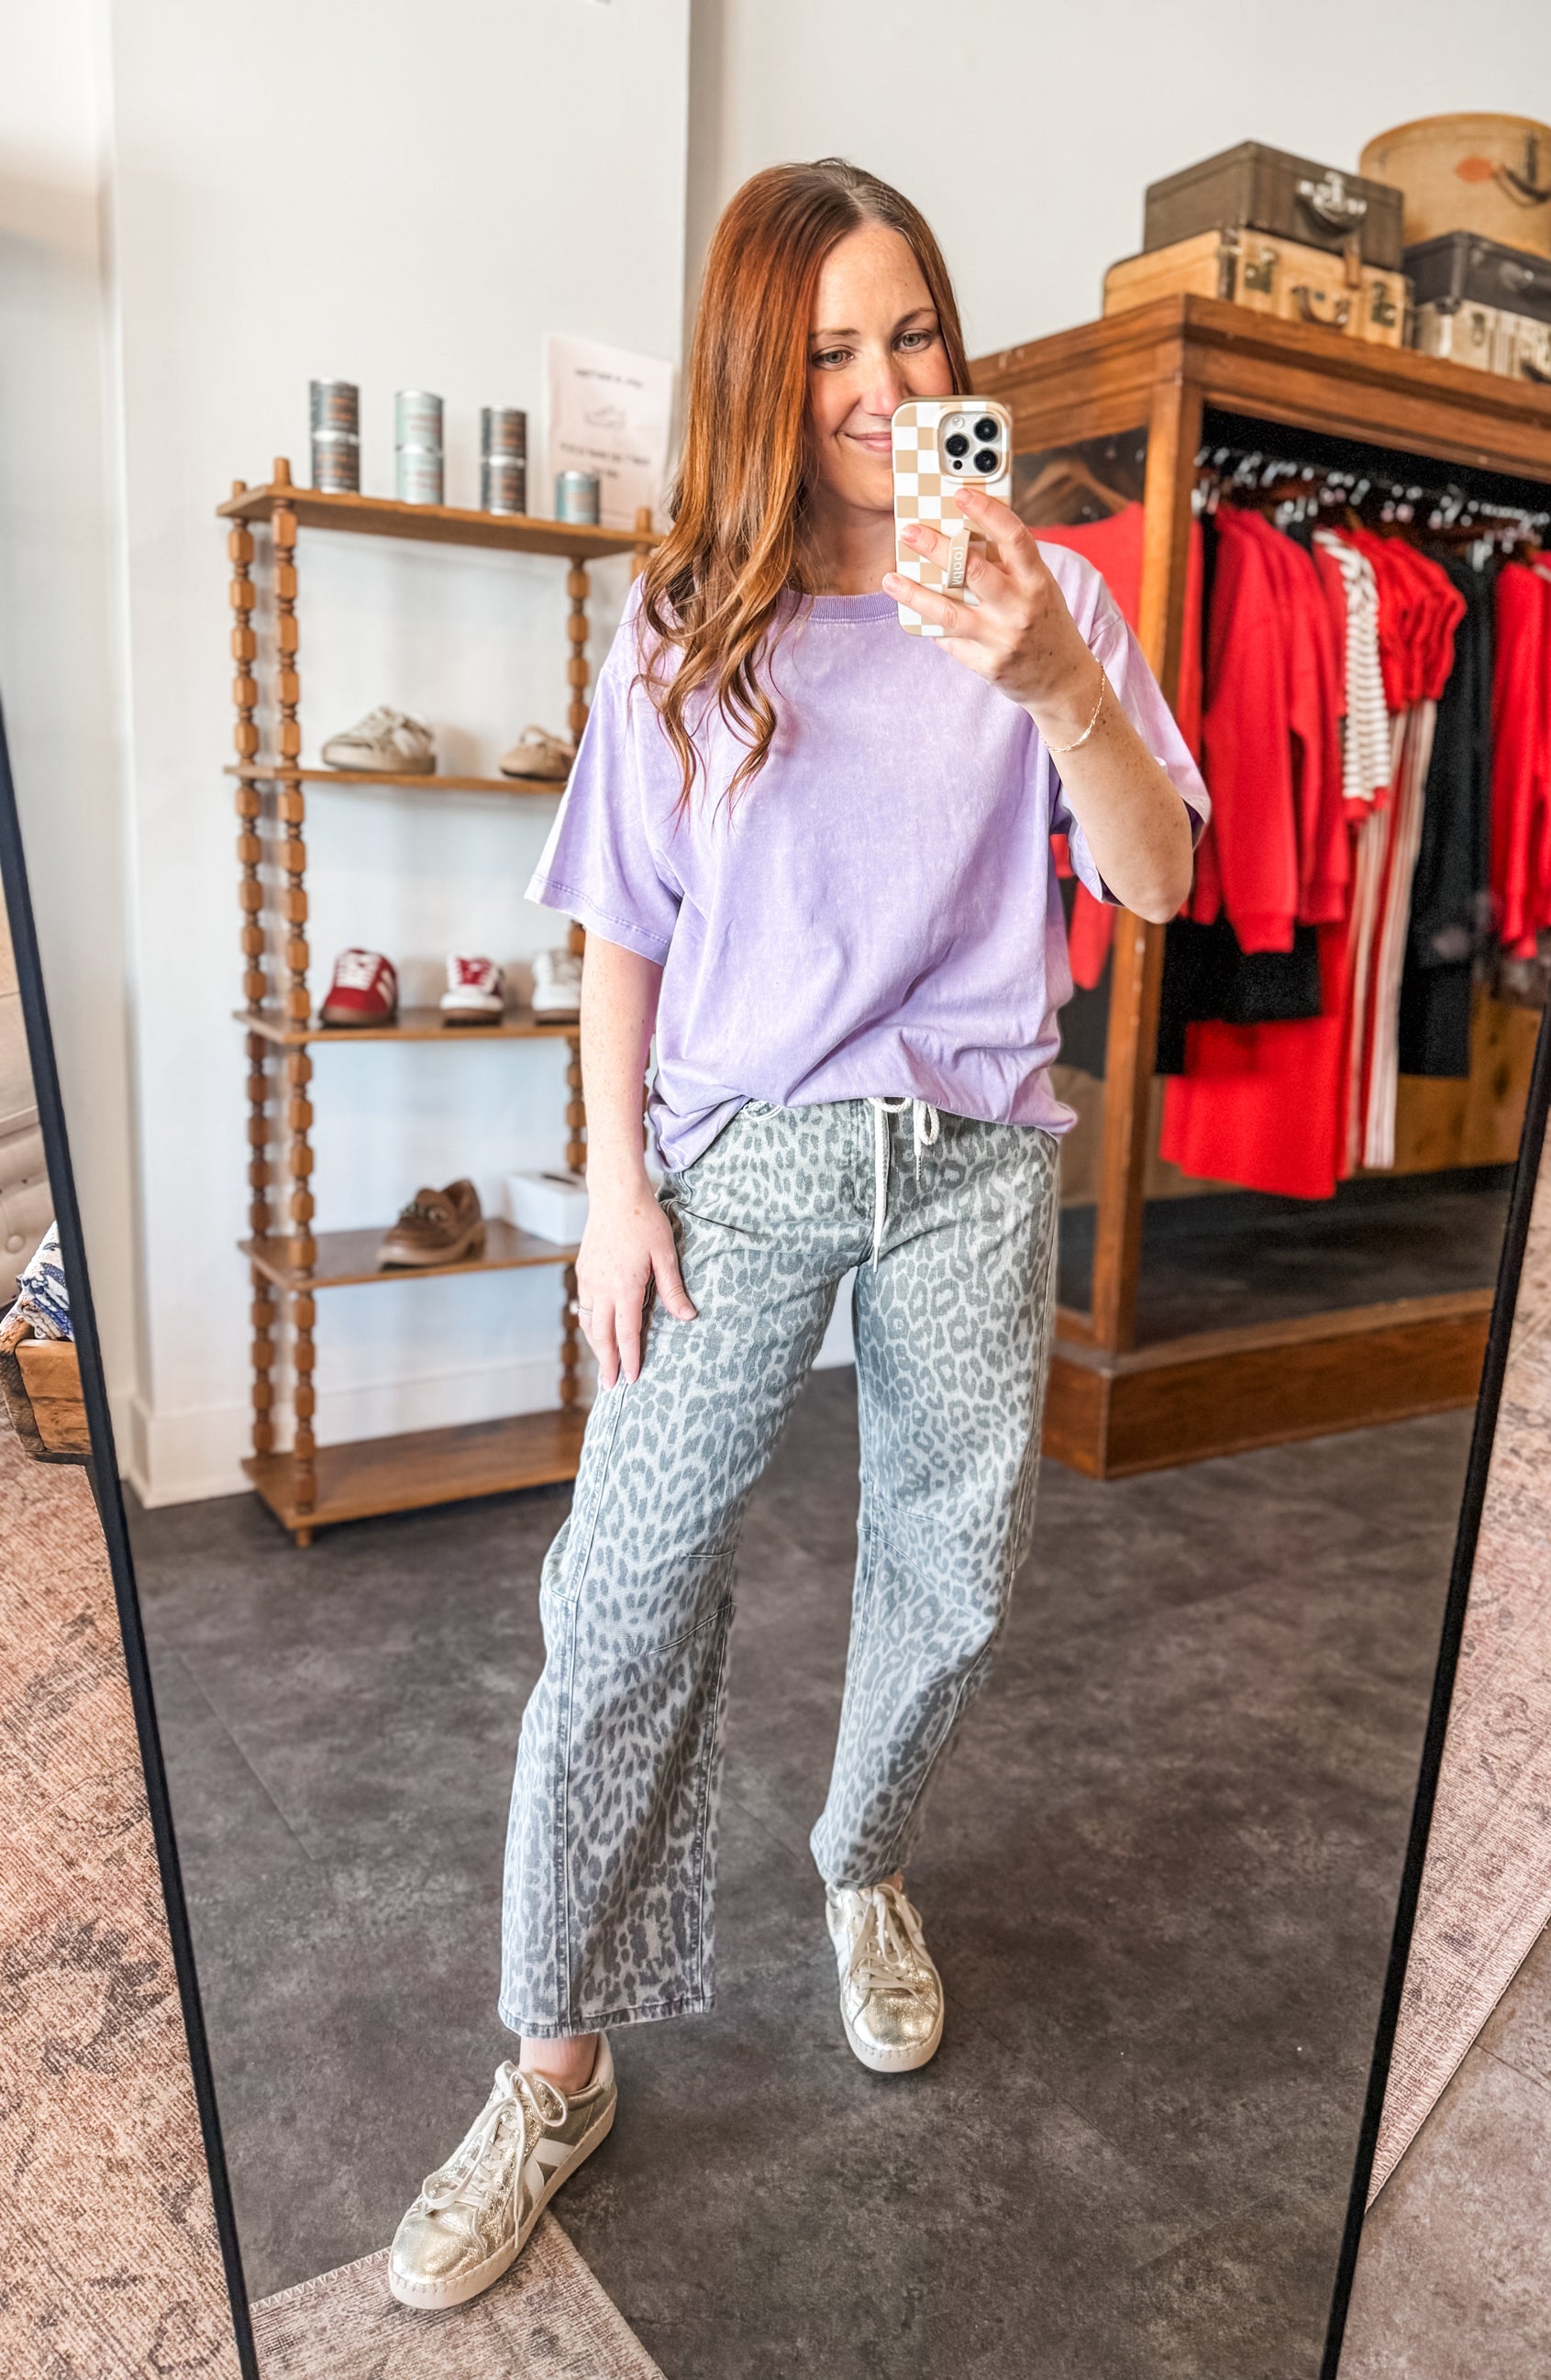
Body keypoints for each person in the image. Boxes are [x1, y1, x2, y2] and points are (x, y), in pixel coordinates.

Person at [387, 156, 1205, 2312]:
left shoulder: (1049, 595)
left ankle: (860, 1865)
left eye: (911, 330)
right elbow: (619, 925)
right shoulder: (686, 618)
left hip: (969, 1157)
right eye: (832, 347)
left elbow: (1158, 879)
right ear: (763, 368)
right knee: (621, 1590)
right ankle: (557, 2064)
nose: (883, 384)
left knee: (954, 1574)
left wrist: (1054, 674)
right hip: (737, 1156)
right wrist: (612, 1189)